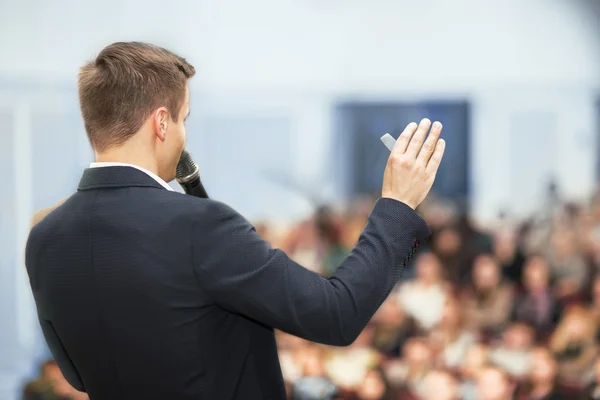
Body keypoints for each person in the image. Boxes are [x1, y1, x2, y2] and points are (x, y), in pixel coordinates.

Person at [25, 41, 446, 400]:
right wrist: (397, 205)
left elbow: (78, 374)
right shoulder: (199, 226)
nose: (183, 135)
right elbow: (336, 314)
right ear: (161, 122)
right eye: (183, 119)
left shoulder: (44, 239)